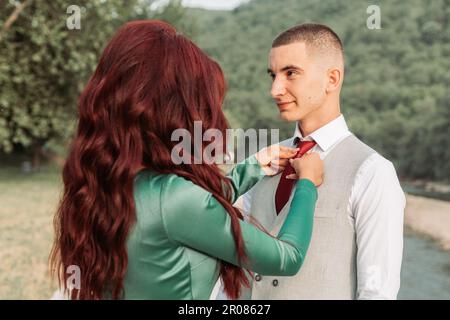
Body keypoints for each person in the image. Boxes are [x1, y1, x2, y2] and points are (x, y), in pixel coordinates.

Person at [49, 20, 324, 300]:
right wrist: (307, 184)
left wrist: (252, 167)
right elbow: (287, 258)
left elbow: (190, 208)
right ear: (175, 110)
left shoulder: (102, 182)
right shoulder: (175, 199)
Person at [228, 23, 406, 300]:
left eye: (291, 73)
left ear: (332, 79)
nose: (275, 89)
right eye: (273, 75)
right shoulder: (264, 162)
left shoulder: (373, 172)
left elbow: (377, 292)